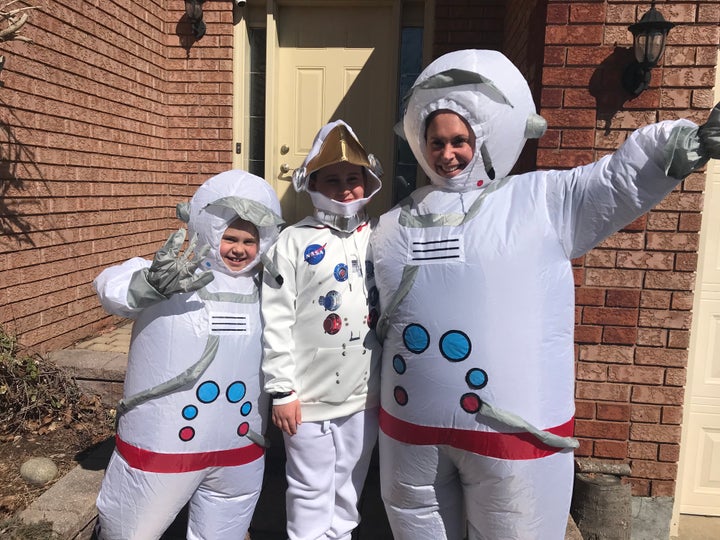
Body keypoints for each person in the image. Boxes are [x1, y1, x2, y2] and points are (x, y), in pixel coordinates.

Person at [370, 49, 720, 540]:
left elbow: (614, 182)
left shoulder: (541, 201)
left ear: (487, 135)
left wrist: (682, 145)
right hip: (411, 429)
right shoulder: (392, 223)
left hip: (514, 434)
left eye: (460, 141)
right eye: (436, 142)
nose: (447, 154)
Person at [92, 170, 284, 540]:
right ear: (208, 228)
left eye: (249, 240)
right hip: (163, 447)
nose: (239, 249)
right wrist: (147, 287)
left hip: (239, 447)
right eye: (229, 237)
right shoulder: (171, 278)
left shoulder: (269, 290)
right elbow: (111, 286)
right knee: (130, 530)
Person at [261, 119, 384, 540]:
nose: (345, 188)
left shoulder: (384, 237)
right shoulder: (291, 243)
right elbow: (275, 318)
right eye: (332, 180)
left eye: (353, 178)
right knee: (310, 486)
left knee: (349, 483)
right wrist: (282, 389)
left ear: (369, 180)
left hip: (366, 392)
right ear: (312, 184)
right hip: (307, 396)